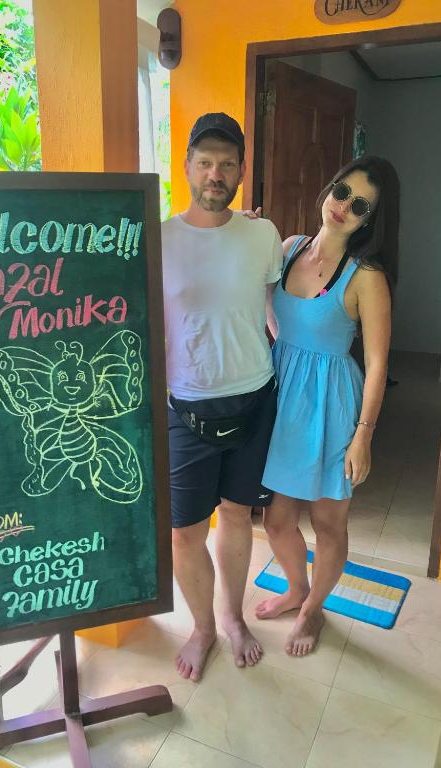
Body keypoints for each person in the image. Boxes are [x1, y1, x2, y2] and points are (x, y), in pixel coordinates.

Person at [253, 156, 399, 657]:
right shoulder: (289, 248)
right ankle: (297, 589)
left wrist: (364, 436)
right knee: (276, 520)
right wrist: (248, 232)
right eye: (341, 191)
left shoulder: (366, 276)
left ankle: (314, 608)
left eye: (360, 206)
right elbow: (264, 302)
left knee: (328, 522)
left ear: (369, 222)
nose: (343, 206)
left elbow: (377, 364)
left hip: (333, 405)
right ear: (328, 189)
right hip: (282, 398)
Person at [162, 113, 283, 681]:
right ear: (187, 166)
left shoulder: (262, 235)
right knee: (185, 529)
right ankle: (203, 627)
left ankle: (233, 618)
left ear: (240, 171)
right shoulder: (158, 239)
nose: (216, 173)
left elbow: (276, 304)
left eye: (228, 164)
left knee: (237, 514)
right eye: (206, 162)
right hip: (184, 404)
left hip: (254, 397)